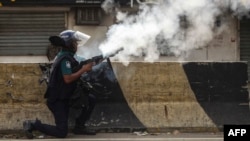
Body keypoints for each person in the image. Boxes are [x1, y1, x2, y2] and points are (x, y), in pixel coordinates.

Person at [23, 30, 97, 139]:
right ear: (69, 44)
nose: (76, 45)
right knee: (61, 132)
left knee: (90, 99)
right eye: (75, 43)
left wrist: (84, 67)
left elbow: (73, 72)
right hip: (57, 100)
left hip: (66, 96)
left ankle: (80, 126)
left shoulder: (67, 56)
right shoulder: (65, 59)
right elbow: (67, 79)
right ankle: (32, 125)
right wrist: (84, 69)